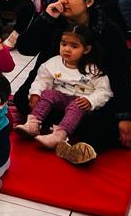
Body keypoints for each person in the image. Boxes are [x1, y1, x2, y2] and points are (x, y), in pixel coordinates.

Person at [13, 0, 131, 164]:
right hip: (55, 87)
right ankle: (63, 126)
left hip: (88, 93)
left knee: (105, 126)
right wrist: (46, 18)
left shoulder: (108, 30)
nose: (63, 0)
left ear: (89, 1)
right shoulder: (54, 19)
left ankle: (70, 137)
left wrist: (127, 115)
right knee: (23, 100)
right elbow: (25, 48)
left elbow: (120, 74)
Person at [16, 24, 112, 157]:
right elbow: (42, 80)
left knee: (77, 105)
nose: (67, 49)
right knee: (48, 94)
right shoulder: (53, 63)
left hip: (81, 102)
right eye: (64, 44)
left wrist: (90, 101)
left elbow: (104, 90)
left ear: (86, 49)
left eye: (74, 46)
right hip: (60, 99)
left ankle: (59, 134)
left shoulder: (92, 69)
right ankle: (33, 124)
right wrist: (35, 93)